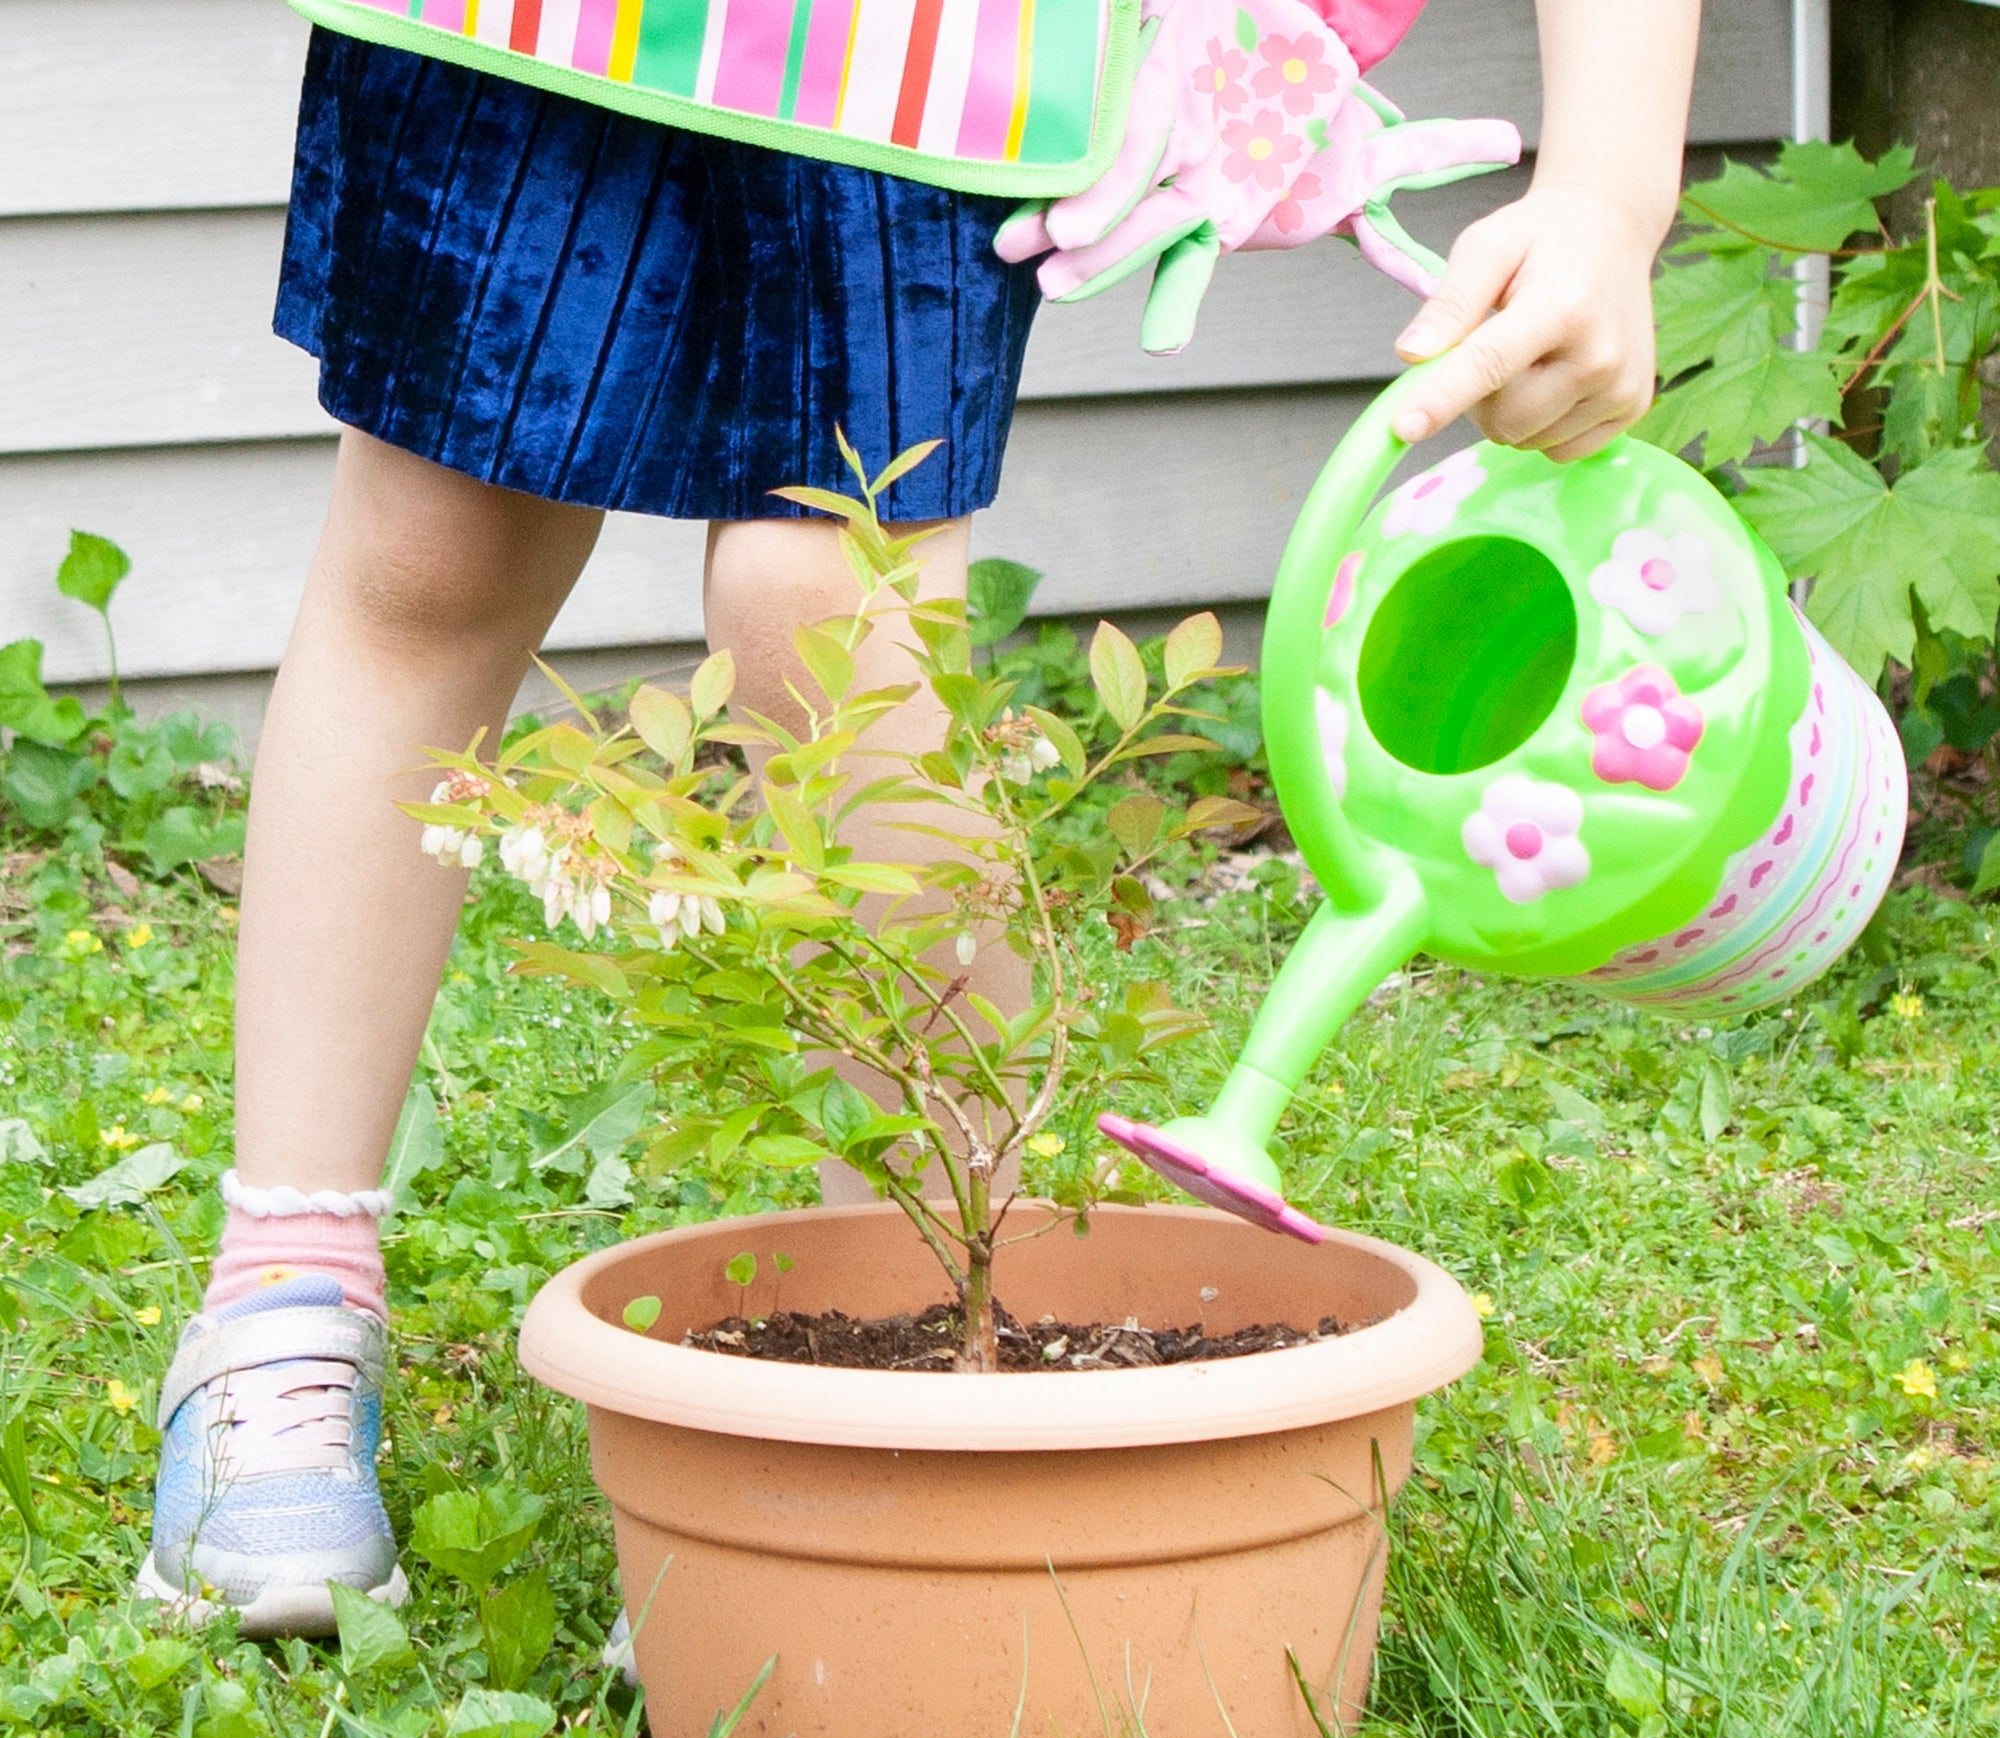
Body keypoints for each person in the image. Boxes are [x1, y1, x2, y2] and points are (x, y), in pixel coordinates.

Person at [140, 0, 1701, 1635]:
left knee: (836, 604)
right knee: (438, 547)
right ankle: (284, 1304)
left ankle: (919, 1333)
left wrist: (1601, 183)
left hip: (920, 44)